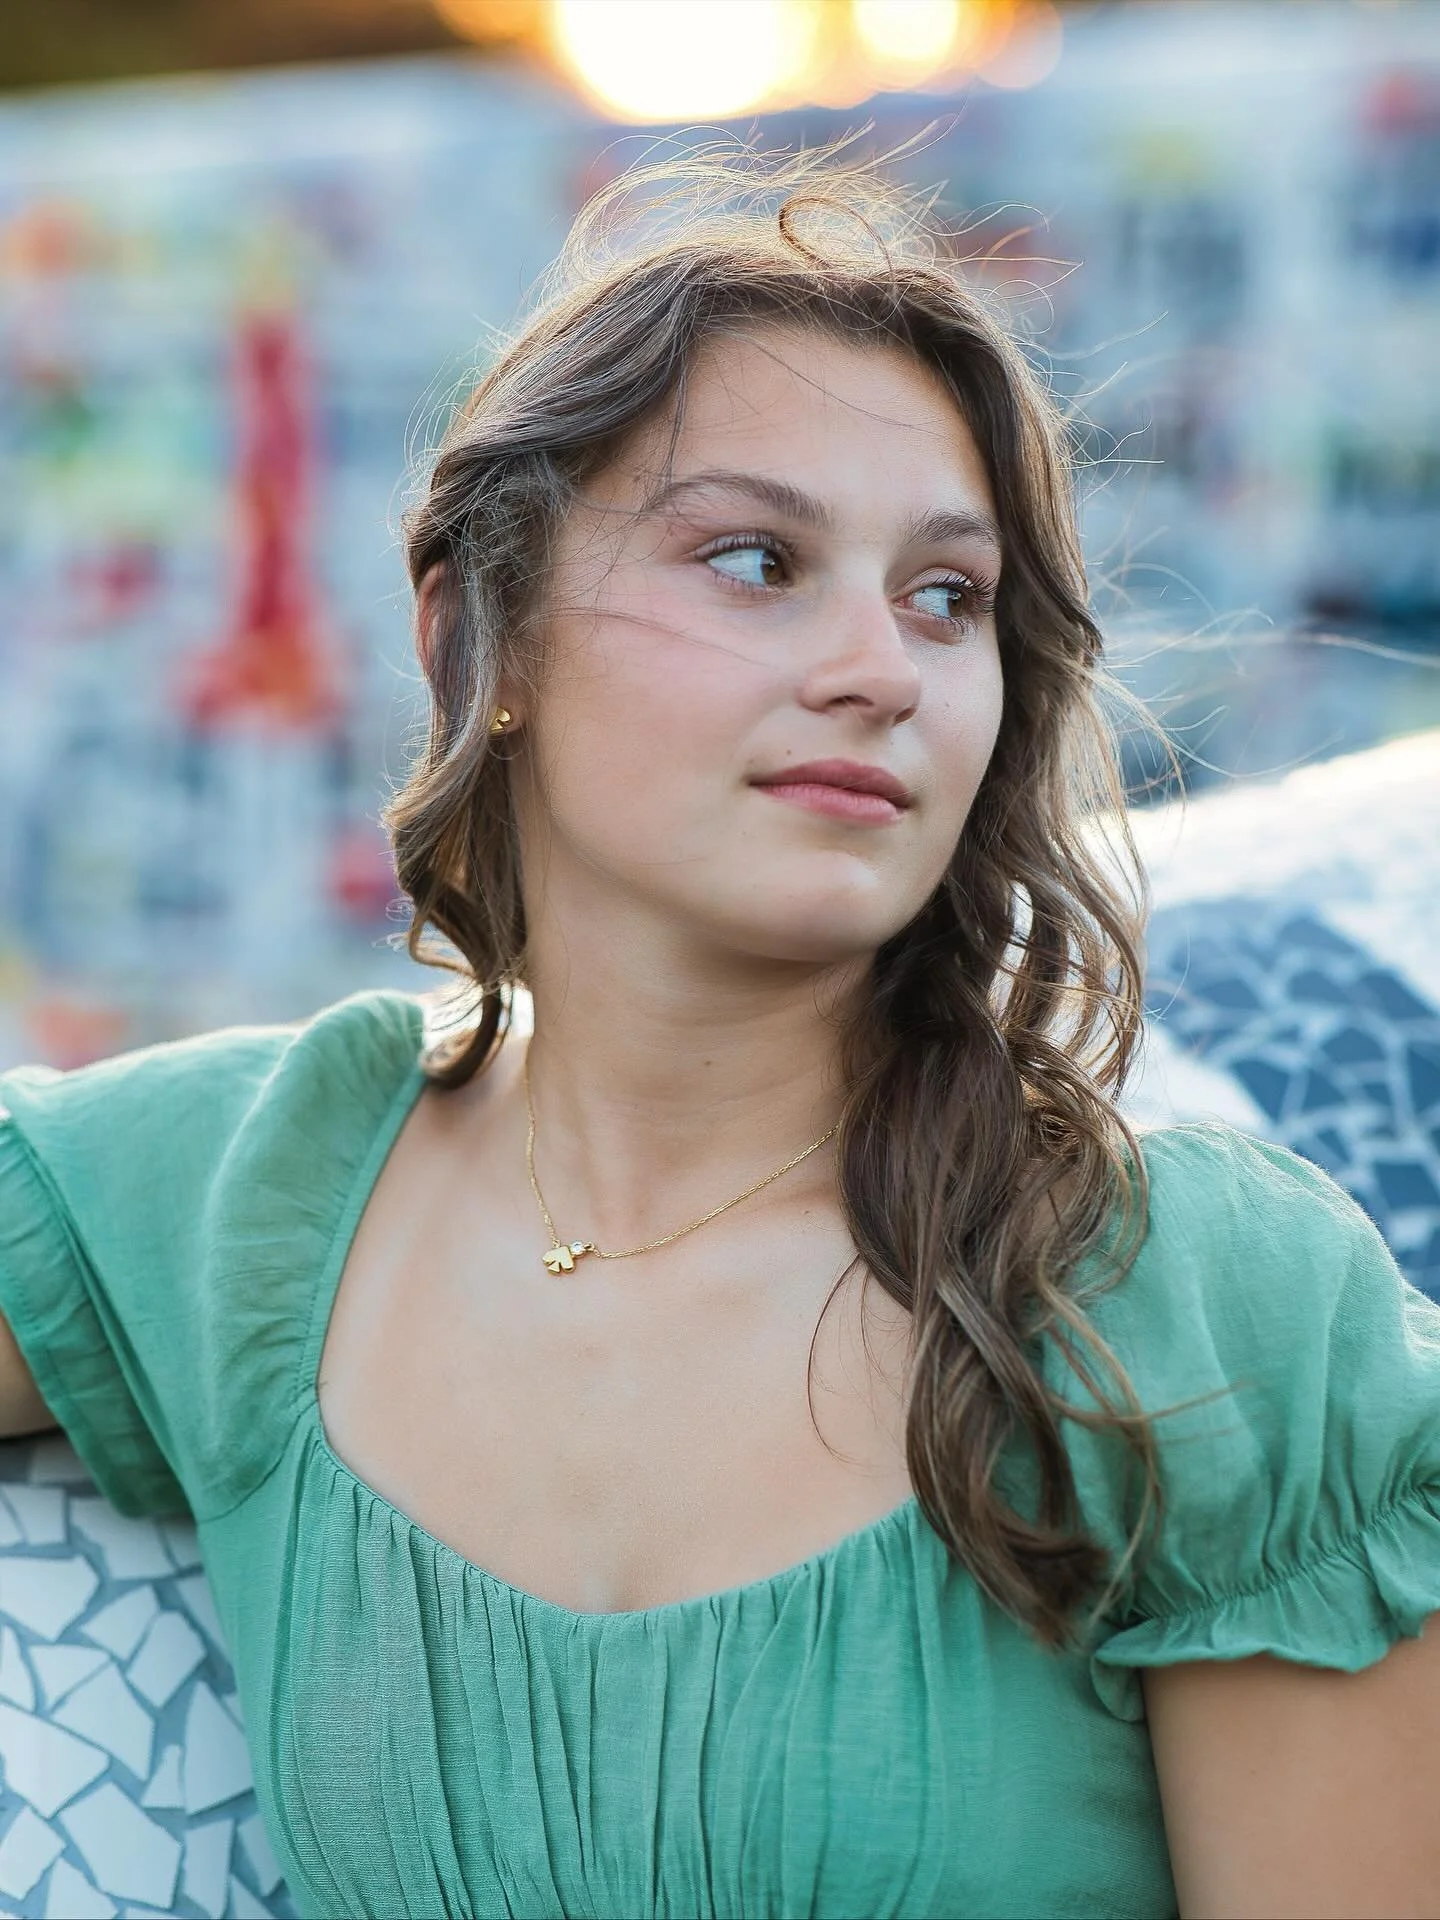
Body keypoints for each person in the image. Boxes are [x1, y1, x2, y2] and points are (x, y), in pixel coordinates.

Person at [1, 147, 1437, 1920]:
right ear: (480, 635)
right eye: (756, 562)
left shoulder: (1192, 1300)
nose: (882, 670)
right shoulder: (245, 1196)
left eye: (946, 598)